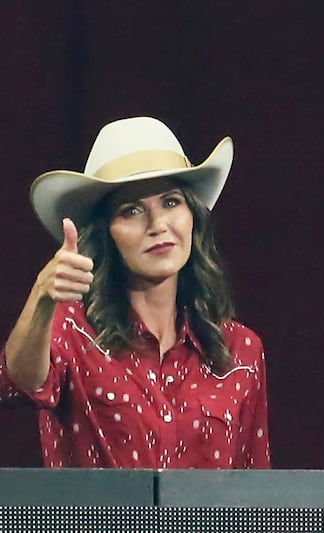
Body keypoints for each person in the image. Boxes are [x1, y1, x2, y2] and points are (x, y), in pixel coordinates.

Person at [0, 116, 271, 468]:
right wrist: (42, 297)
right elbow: (17, 381)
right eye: (132, 210)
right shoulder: (74, 330)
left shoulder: (240, 350)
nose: (158, 225)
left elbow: (254, 488)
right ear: (104, 234)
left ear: (193, 217)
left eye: (171, 202)